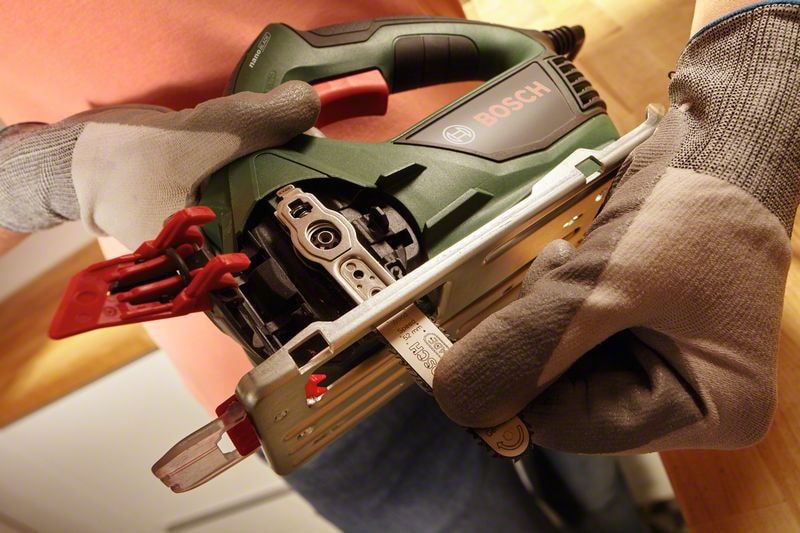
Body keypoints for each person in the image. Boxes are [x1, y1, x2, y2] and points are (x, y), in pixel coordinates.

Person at [1, 0, 797, 531]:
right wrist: (54, 169)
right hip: (288, 366)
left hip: (523, 243)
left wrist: (750, 111)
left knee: (592, 464)